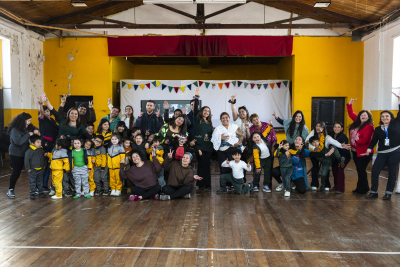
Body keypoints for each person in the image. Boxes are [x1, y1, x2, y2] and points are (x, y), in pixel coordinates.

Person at [364, 92, 400, 200]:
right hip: (382, 153)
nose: (384, 118)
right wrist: (369, 149)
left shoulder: (396, 124)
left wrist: (399, 101)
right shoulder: (378, 129)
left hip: (395, 151)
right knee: (375, 171)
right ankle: (374, 192)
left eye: (387, 116)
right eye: (383, 116)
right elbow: (374, 140)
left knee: (392, 173)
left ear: (391, 117)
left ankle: (388, 193)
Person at [306, 121, 350, 191]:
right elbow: (307, 142)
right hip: (315, 154)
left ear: (323, 128)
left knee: (326, 172)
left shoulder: (327, 137)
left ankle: (325, 184)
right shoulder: (313, 133)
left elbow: (334, 142)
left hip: (327, 156)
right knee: (315, 167)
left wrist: (341, 146)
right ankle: (315, 184)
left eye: (320, 126)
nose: (318, 127)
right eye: (317, 126)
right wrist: (314, 147)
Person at [7, 112, 38, 198]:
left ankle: (34, 189)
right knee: (17, 171)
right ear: (22, 121)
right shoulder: (15, 130)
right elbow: (19, 142)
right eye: (28, 121)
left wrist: (36, 130)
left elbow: (35, 127)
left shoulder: (27, 127)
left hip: (26, 152)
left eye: (29, 121)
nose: (29, 122)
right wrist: (29, 134)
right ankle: (10, 189)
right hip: (16, 153)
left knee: (33, 170)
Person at [346, 98, 375, 194]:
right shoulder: (358, 122)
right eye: (361, 115)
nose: (363, 116)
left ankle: (363, 188)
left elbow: (366, 140)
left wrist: (358, 140)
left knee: (361, 170)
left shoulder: (369, 126)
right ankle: (362, 188)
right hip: (355, 151)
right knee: (359, 170)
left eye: (365, 115)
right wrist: (350, 104)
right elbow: (351, 114)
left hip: (364, 151)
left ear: (368, 117)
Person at [248, 114, 281, 191]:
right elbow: (256, 158)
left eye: (258, 136)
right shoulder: (255, 147)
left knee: (267, 173)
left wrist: (270, 125)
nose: (257, 138)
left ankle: (265, 185)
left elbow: (267, 131)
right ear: (252, 140)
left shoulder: (263, 137)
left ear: (260, 136)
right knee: (257, 173)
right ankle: (255, 185)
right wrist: (258, 166)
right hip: (260, 160)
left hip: (268, 159)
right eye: (254, 138)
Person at [37, 95, 58, 192]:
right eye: (45, 111)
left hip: (53, 145)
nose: (47, 112)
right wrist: (41, 105)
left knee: (49, 167)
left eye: (48, 111)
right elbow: (41, 113)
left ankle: (46, 186)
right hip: (45, 146)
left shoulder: (53, 121)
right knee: (43, 167)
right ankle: (41, 186)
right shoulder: (42, 119)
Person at [193, 89, 213, 190]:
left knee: (207, 165)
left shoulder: (209, 123)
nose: (206, 112)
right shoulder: (197, 120)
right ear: (201, 111)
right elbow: (195, 111)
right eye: (205, 110)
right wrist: (196, 98)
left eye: (208, 111)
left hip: (208, 148)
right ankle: (200, 184)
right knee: (201, 165)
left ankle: (207, 184)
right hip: (200, 147)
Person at [328, 122, 351, 193]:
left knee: (340, 170)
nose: (336, 128)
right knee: (334, 171)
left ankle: (340, 189)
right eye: (335, 127)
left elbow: (345, 149)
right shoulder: (330, 134)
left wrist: (342, 160)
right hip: (334, 157)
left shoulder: (344, 137)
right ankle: (336, 186)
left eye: (338, 127)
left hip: (343, 156)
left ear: (341, 129)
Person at [24, 134, 47, 199]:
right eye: (38, 142)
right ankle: (32, 194)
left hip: (40, 169)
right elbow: (26, 160)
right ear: (32, 143)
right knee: (32, 182)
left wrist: (44, 165)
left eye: (40, 142)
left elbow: (44, 158)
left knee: (40, 182)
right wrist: (28, 168)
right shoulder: (29, 151)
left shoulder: (41, 150)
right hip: (32, 170)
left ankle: (41, 192)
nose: (40, 144)